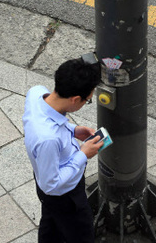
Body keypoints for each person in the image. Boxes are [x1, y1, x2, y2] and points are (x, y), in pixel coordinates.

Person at [23, 58, 103, 243]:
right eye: (87, 101)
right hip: (65, 196)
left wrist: (73, 130)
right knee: (81, 234)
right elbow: (51, 185)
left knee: (51, 224)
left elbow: (52, 120)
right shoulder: (48, 140)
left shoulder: (36, 93)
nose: (85, 103)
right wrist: (83, 154)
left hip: (45, 180)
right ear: (75, 99)